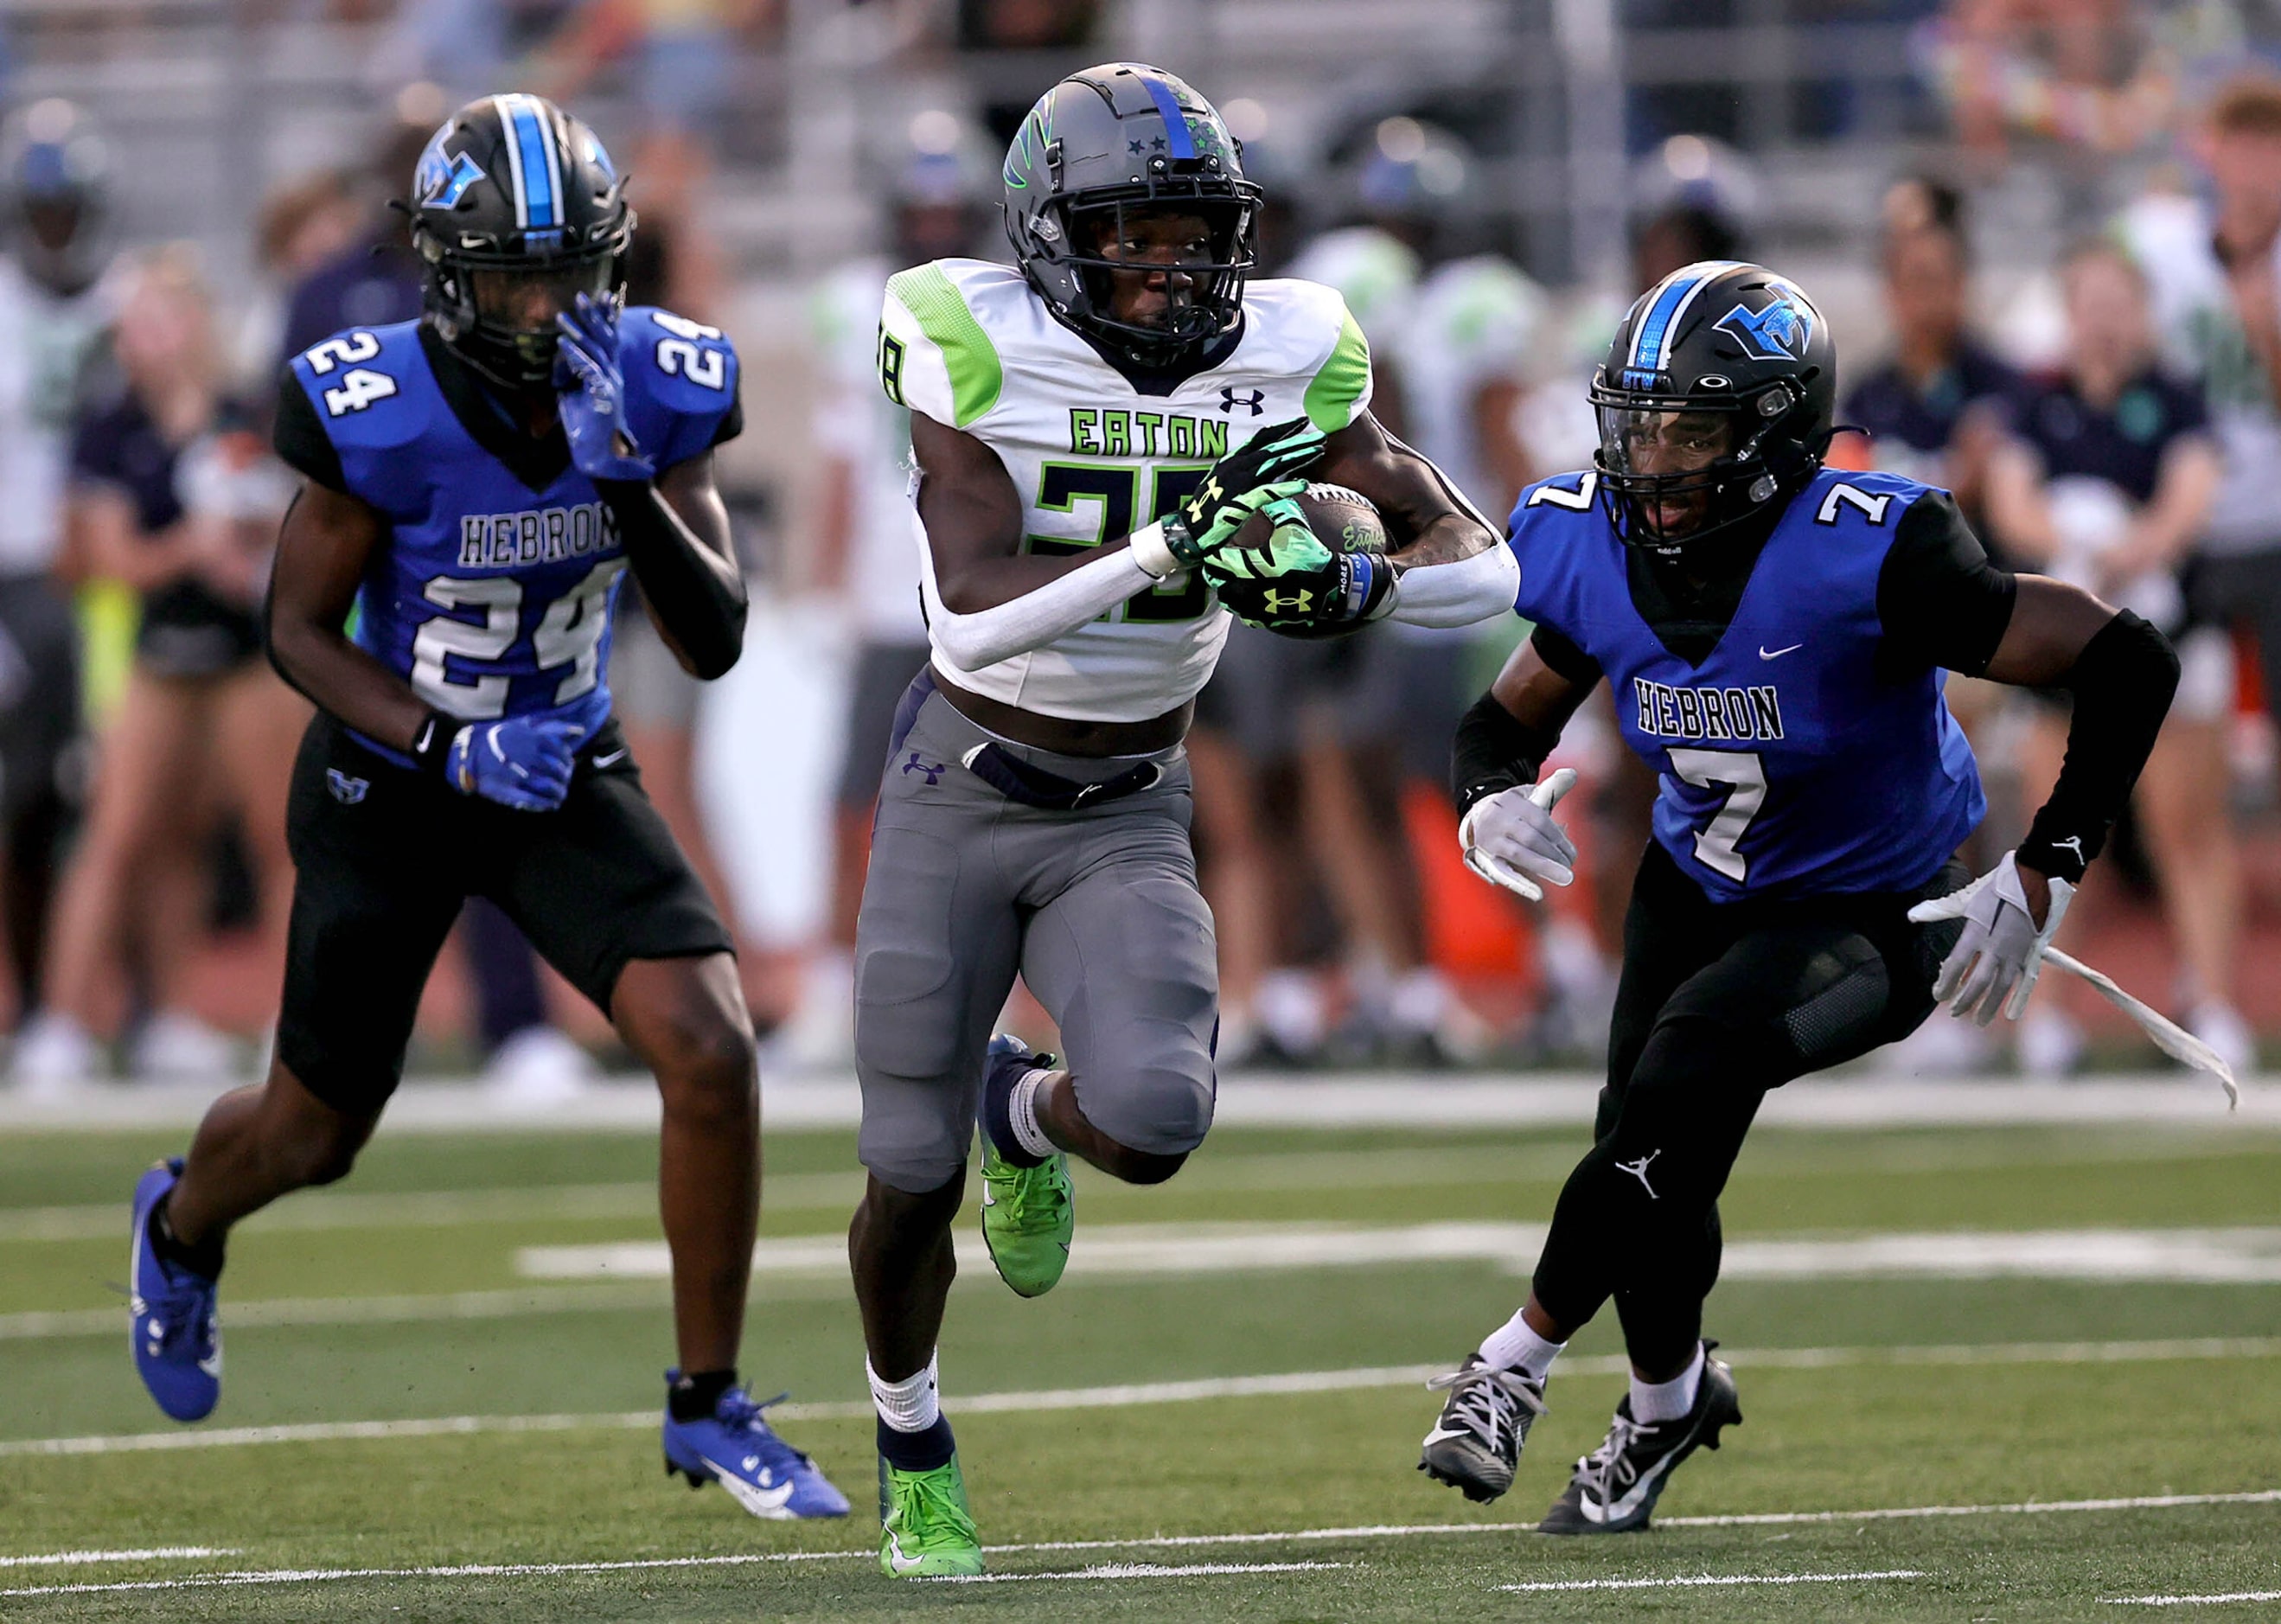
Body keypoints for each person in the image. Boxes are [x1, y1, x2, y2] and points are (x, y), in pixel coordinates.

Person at [123, 93, 847, 1522]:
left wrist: (629, 471)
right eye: (516, 274)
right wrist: (441, 745)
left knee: (709, 1046)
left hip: (565, 759)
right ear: (447, 276)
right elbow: (299, 628)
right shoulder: (371, 402)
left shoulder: (658, 378)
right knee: (314, 1133)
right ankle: (183, 1219)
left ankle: (708, 1402)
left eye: (574, 270)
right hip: (393, 779)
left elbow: (708, 635)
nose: (548, 304)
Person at [849, 63, 1517, 1576]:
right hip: (963, 773)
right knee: (901, 1174)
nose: (1171, 267)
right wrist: (1179, 546)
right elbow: (963, 615)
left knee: (1153, 1118)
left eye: (1193, 233)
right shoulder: (969, 335)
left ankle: (1021, 1109)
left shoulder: (1288, 352)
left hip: (1130, 798)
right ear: (1049, 237)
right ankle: (912, 1440)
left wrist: (1353, 573)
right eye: (1132, 235)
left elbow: (1476, 566)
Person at [1408, 260, 2177, 1531]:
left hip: (1881, 902)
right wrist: (1487, 792)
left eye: (1690, 430)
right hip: (1696, 876)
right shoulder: (1584, 536)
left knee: (1674, 1090)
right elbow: (1505, 714)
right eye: (1638, 422)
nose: (1651, 460)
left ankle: (1508, 1361)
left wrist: (2045, 864)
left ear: (1771, 440)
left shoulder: (1868, 555)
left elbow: (2122, 656)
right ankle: (1664, 1412)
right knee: (1654, 1158)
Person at [18, 248, 303, 1085]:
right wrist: (196, 544)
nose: (146, 336)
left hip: (246, 655)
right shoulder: (110, 425)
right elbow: (109, 557)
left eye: (162, 314)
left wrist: (250, 550)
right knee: (118, 837)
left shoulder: (245, 412)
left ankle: (291, 1022)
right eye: (134, 320)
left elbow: (299, 526)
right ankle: (65, 1027)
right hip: (158, 655)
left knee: (278, 840)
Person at [1984, 239, 2246, 1075]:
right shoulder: (2038, 401)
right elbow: (2011, 500)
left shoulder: (2172, 398)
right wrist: (2067, 544)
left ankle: (2211, 1000)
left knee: (2187, 828)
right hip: (2067, 653)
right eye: (2087, 303)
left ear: (2141, 313)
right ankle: (2048, 1017)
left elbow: (2190, 495)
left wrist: (2133, 550)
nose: (2102, 321)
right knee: (2058, 831)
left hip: (2166, 638)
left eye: (2116, 304)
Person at [0, 99, 118, 1074]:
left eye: (66, 212)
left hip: (112, 579)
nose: (55, 232)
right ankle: (44, 1004)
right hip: (21, 572)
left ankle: (114, 1010)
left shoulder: (126, 306)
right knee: (29, 795)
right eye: (42, 214)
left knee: (119, 797)